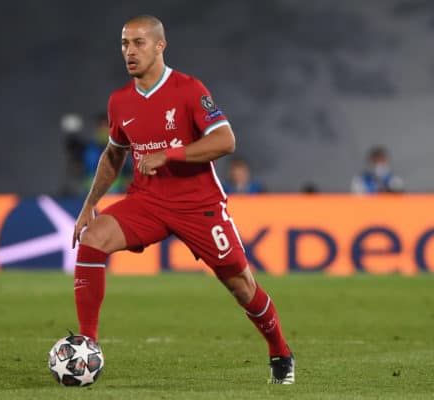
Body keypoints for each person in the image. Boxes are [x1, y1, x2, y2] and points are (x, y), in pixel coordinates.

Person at [71, 15, 294, 384]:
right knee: (92, 239)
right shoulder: (120, 102)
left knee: (241, 286)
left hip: (198, 205)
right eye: (125, 44)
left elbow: (226, 141)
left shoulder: (188, 90)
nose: (129, 51)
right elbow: (114, 155)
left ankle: (280, 351)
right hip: (147, 201)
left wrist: (169, 155)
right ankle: (87, 349)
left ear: (160, 46)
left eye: (139, 43)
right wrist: (88, 205)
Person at [82, 113, 132, 193]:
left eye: (106, 126)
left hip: (117, 193)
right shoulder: (90, 149)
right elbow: (88, 167)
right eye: (101, 127)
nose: (104, 130)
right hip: (93, 194)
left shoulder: (123, 147)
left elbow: (128, 170)